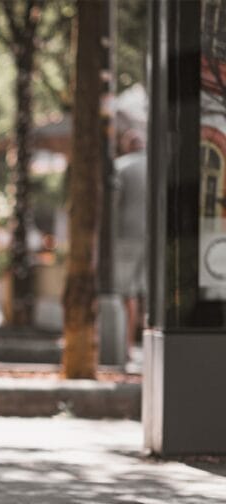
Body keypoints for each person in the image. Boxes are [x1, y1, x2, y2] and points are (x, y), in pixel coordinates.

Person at [114, 131, 148, 352]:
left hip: (126, 237)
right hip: (153, 238)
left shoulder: (121, 167)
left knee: (127, 292)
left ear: (127, 146)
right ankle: (147, 345)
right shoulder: (159, 166)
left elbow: (113, 205)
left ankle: (125, 346)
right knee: (149, 292)